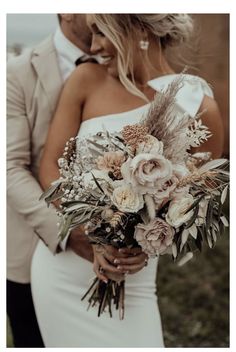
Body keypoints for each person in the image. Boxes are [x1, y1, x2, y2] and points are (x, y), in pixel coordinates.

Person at [31, 14, 224, 347]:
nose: (93, 46)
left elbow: (197, 200)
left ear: (136, 28)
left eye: (100, 33)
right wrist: (87, 232)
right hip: (64, 270)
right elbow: (49, 167)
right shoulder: (85, 79)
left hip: (133, 276)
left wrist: (149, 242)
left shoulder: (198, 105)